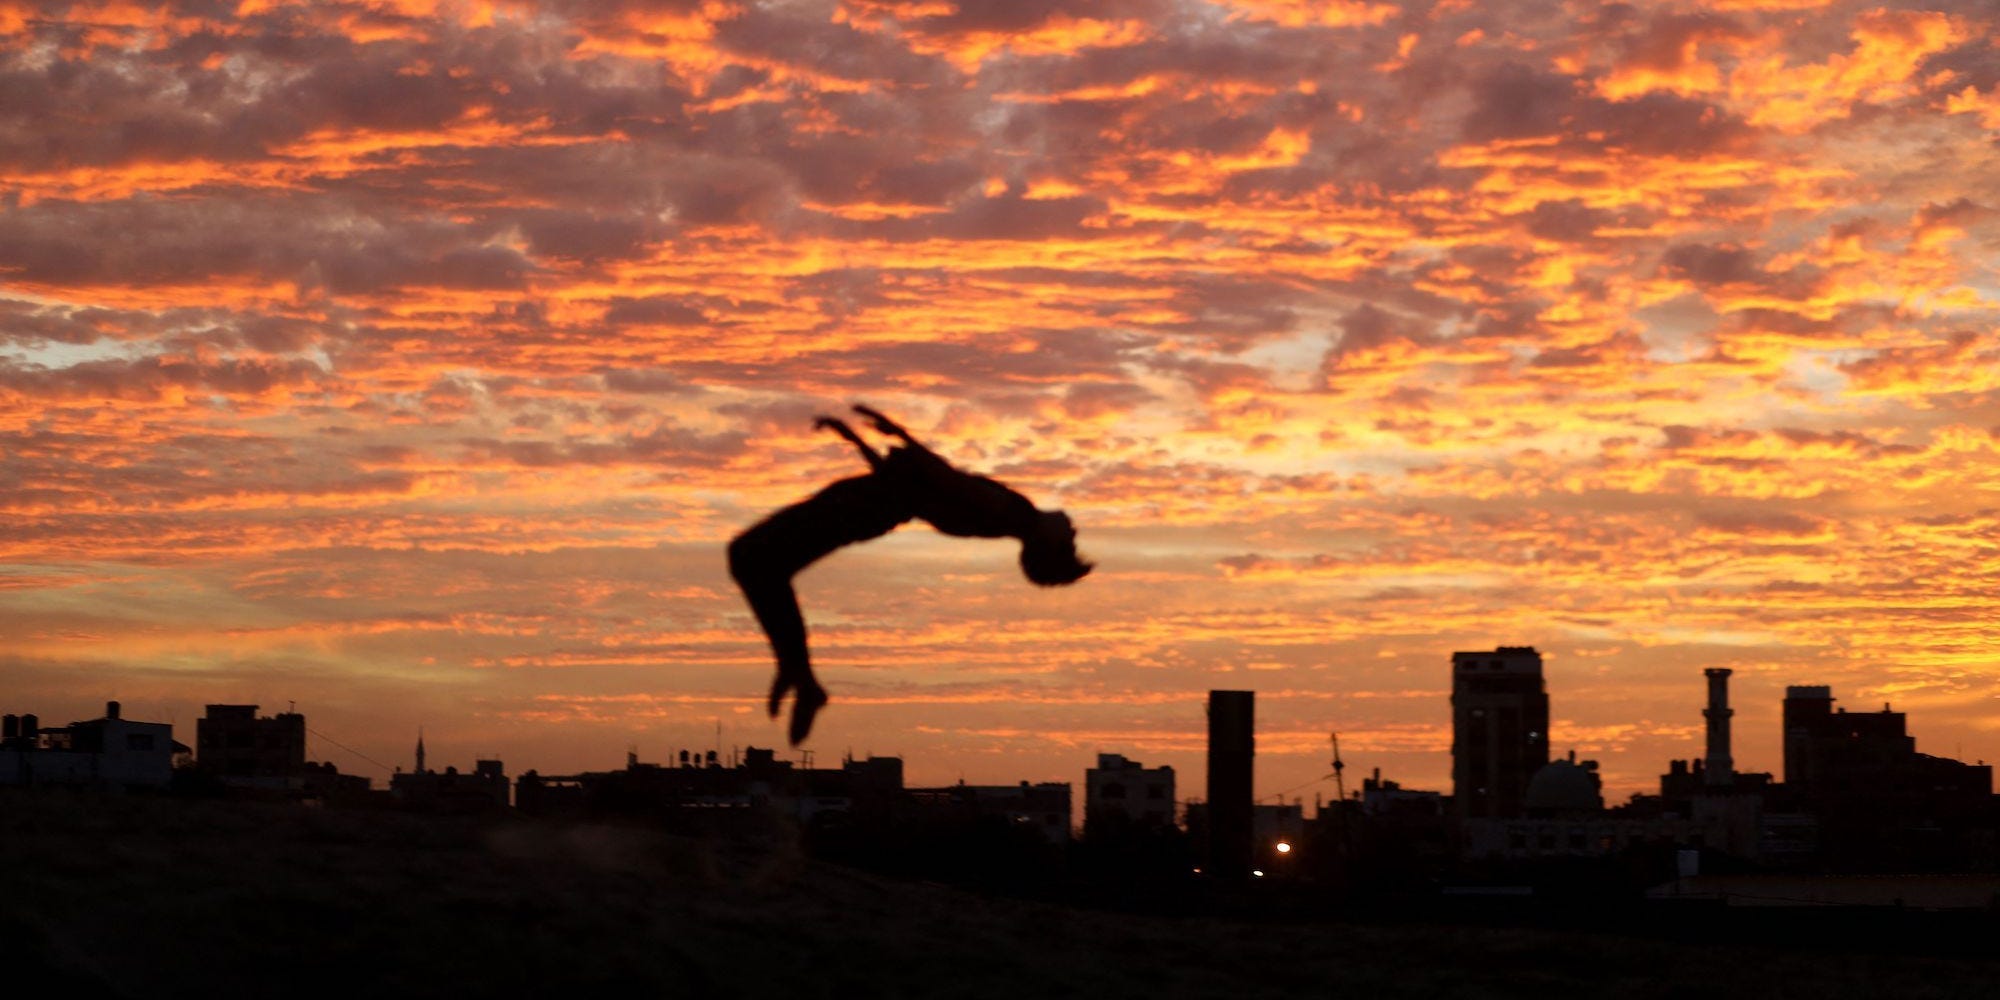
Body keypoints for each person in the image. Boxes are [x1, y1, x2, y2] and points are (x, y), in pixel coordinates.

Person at [728, 404, 1092, 744]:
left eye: (1069, 543)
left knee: (754, 561)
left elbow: (943, 478)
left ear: (1047, 543)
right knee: (758, 564)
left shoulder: (1009, 512)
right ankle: (798, 674)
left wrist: (898, 432)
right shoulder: (1009, 514)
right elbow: (910, 482)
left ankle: (799, 675)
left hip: (859, 507)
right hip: (862, 505)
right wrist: (856, 439)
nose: (1074, 531)